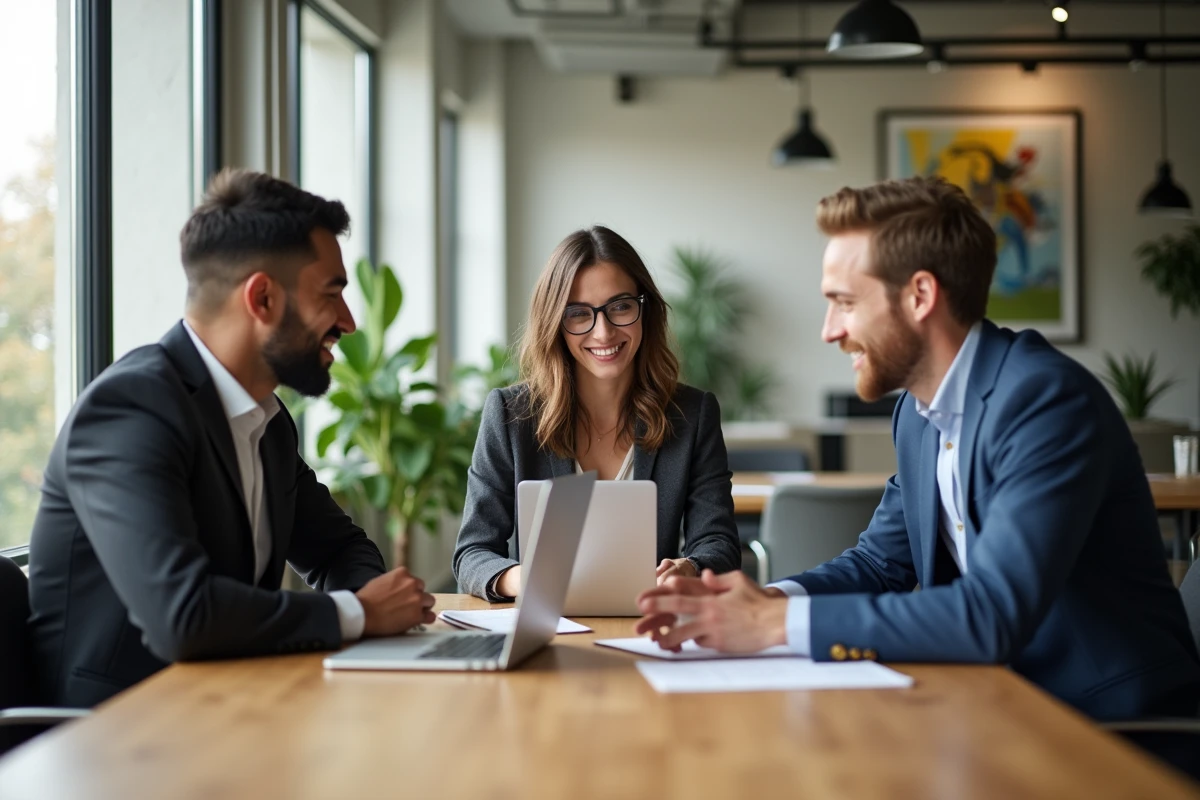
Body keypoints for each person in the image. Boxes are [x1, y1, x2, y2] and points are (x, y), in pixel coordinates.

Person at [636, 177, 1200, 720]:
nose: (830, 330)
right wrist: (762, 602)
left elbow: (991, 613)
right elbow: (879, 564)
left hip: (1111, 726)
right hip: (997, 704)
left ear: (920, 296)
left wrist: (773, 627)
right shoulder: (918, 412)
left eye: (845, 302)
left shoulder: (1045, 401)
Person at [27, 169, 436, 708]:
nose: (348, 322)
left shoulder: (266, 420)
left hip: (232, 703)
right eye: (331, 293)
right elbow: (183, 616)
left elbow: (339, 548)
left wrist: (370, 604)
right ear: (262, 298)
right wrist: (358, 613)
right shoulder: (129, 410)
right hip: (117, 730)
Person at [453, 226, 741, 601]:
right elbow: (471, 554)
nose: (603, 333)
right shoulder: (510, 415)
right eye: (578, 314)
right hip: (548, 626)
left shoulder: (692, 414)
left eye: (620, 307)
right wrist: (522, 579)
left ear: (644, 309)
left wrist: (690, 567)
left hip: (650, 623)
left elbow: (719, 544)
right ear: (555, 322)